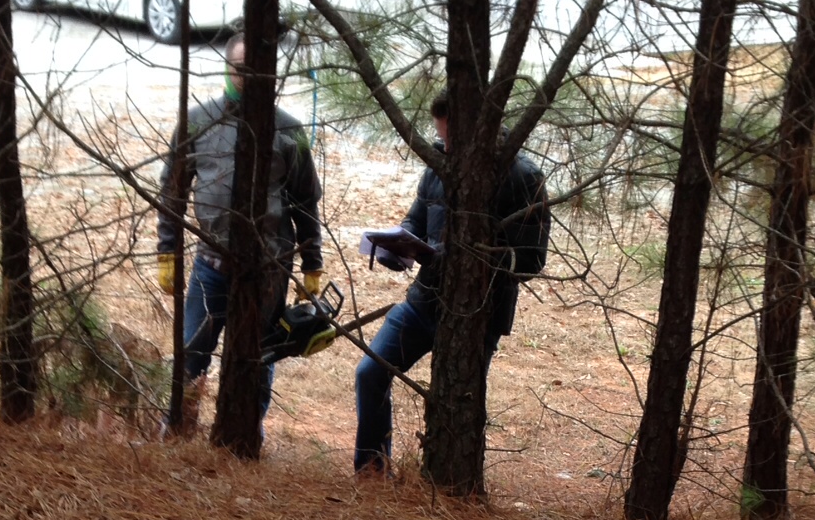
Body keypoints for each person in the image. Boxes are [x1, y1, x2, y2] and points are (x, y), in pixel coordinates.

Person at [355, 93, 550, 473]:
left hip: (479, 315)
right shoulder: (438, 165)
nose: (445, 146)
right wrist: (398, 245)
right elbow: (415, 219)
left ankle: (448, 479)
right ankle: (372, 470)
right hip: (423, 301)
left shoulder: (523, 177)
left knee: (456, 400)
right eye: (441, 138)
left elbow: (531, 260)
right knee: (370, 372)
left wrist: (462, 257)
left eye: (452, 139)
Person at [156, 34, 324, 432]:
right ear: (227, 69)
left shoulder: (289, 130)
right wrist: (168, 253)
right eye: (240, 70)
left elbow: (304, 202)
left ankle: (246, 431)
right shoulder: (199, 121)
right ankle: (179, 425)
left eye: (256, 70)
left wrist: (311, 264)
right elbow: (172, 193)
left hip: (267, 269)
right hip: (212, 265)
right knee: (192, 349)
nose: (247, 77)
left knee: (257, 356)